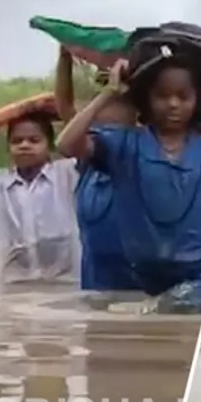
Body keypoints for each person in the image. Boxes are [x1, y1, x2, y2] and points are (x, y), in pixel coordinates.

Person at [55, 55, 201, 311]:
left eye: (183, 96)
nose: (173, 104)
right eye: (162, 96)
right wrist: (108, 94)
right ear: (146, 99)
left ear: (197, 99)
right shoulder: (126, 145)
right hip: (150, 277)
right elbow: (66, 144)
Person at [0, 111, 81, 285]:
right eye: (16, 141)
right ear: (8, 148)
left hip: (66, 283)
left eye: (34, 140)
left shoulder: (67, 174)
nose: (24, 145)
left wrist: (68, 116)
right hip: (12, 287)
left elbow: (83, 141)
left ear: (49, 146)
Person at [55, 47, 141, 291]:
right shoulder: (87, 150)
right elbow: (64, 107)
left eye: (120, 100)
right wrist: (65, 56)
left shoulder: (144, 146)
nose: (110, 103)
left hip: (140, 275)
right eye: (102, 95)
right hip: (96, 278)